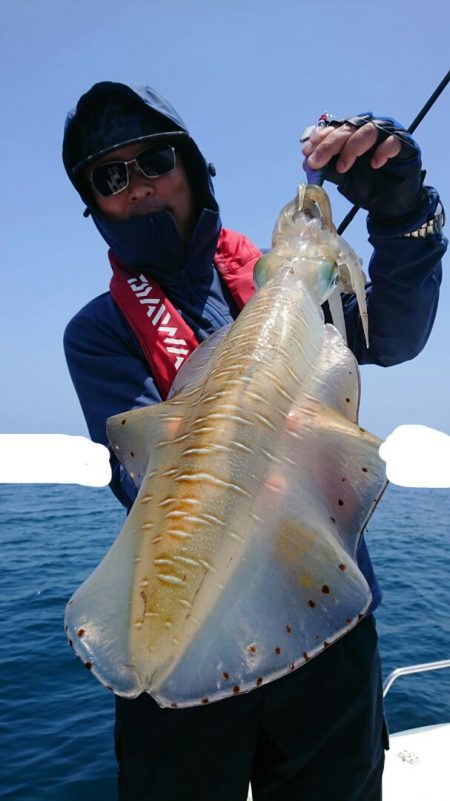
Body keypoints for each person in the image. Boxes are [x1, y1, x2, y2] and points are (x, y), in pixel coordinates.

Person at [62, 82, 446, 801]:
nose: (140, 185)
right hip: (189, 634)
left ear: (194, 165)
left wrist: (403, 217)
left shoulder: (289, 284)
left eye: (156, 159)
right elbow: (142, 474)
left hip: (326, 623)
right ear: (96, 205)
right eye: (111, 176)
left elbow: (394, 333)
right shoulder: (99, 333)